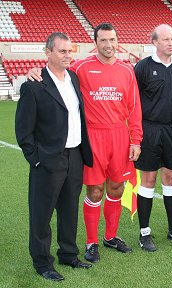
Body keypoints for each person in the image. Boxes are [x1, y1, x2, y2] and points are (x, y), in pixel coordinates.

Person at [27, 23, 143, 263]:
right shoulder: (80, 67)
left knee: (116, 188)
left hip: (120, 137)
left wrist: (136, 140)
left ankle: (110, 236)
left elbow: (134, 109)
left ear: (117, 40)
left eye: (112, 40)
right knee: (95, 189)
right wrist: (34, 71)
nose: (109, 45)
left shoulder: (127, 70)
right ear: (96, 43)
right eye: (103, 40)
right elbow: (54, 72)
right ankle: (91, 243)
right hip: (92, 138)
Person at [16, 32, 93, 281]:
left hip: (75, 157)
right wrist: (36, 159)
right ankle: (42, 262)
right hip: (48, 160)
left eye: (70, 50)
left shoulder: (73, 77)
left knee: (69, 210)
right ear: (48, 52)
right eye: (62, 51)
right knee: (42, 213)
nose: (68, 55)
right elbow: (23, 130)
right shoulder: (34, 85)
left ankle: (68, 254)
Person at [133, 24, 172, 252]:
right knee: (148, 180)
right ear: (155, 42)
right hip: (149, 130)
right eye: (166, 39)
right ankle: (144, 232)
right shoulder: (143, 67)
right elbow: (133, 103)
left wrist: (171, 118)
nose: (171, 43)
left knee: (170, 178)